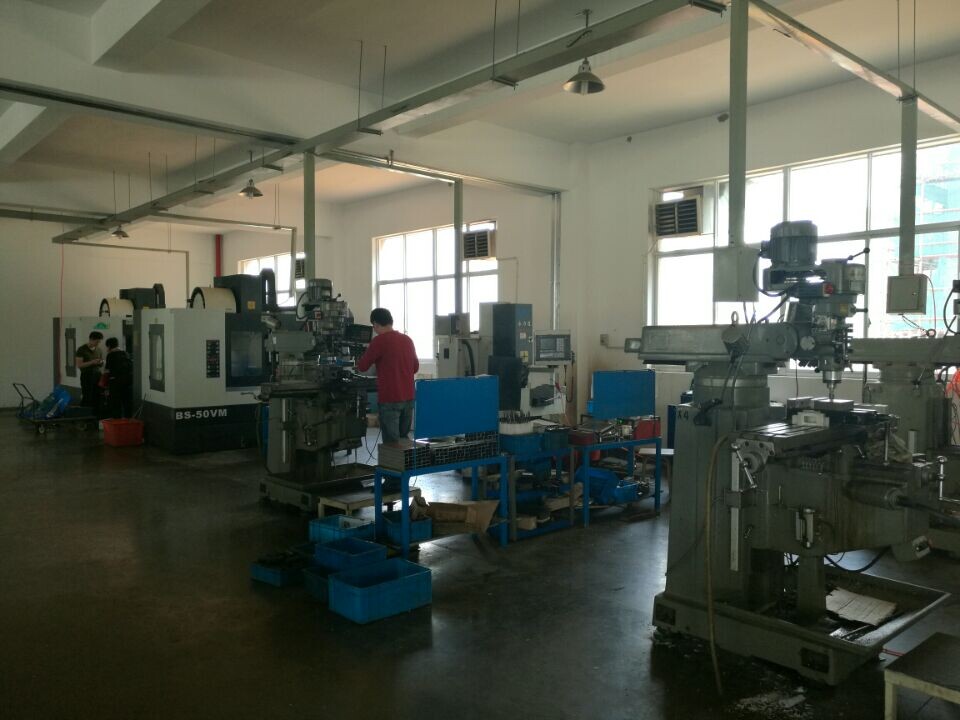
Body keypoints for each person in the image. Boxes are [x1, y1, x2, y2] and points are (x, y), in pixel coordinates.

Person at [356, 308, 419, 445]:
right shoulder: (407, 340)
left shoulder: (378, 341)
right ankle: (405, 460)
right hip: (409, 398)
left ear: (375, 324)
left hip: (390, 399)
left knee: (391, 445)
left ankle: (392, 460)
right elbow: (415, 368)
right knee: (404, 442)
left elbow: (362, 366)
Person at [103, 337, 134, 418]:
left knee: (115, 403)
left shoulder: (110, 355)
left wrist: (105, 384)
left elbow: (107, 370)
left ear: (109, 346)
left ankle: (117, 420)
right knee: (127, 402)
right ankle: (128, 420)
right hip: (128, 382)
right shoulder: (126, 353)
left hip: (115, 382)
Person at [75, 331, 104, 411]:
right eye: (97, 342)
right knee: (87, 396)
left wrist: (101, 362)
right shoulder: (81, 349)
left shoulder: (99, 350)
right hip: (86, 376)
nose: (98, 344)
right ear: (91, 339)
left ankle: (95, 413)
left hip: (97, 375)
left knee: (97, 396)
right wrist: (92, 362)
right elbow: (79, 365)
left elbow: (100, 362)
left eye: (99, 342)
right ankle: (85, 413)